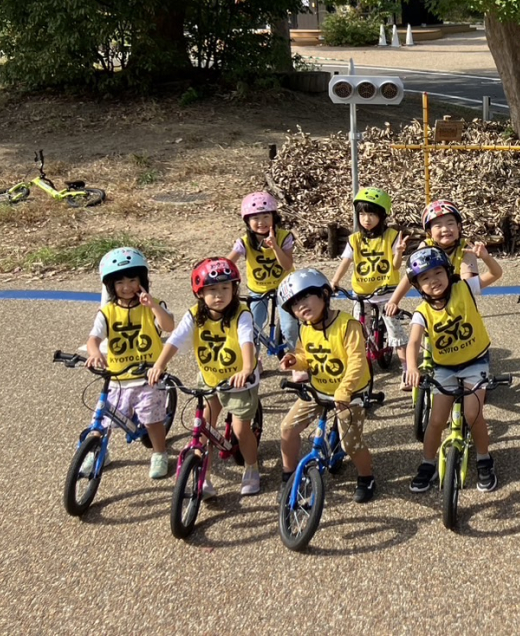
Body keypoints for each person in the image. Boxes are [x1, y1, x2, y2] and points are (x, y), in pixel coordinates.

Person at [147, 258, 261, 497]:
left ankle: (251, 467)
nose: (219, 295)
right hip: (210, 378)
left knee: (241, 430)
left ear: (234, 290)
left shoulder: (241, 314)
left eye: (225, 288)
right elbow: (176, 340)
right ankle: (203, 477)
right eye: (211, 290)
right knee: (204, 428)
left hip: (238, 381)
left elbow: (246, 340)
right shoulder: (194, 314)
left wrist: (247, 368)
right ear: (199, 293)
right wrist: (159, 365)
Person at [403, 247, 499, 494]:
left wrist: (485, 257)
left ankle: (484, 458)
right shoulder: (422, 312)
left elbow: (496, 274)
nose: (433, 280)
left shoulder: (464, 289)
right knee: (436, 420)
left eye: (437, 272)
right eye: (425, 278)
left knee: (473, 414)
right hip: (445, 367)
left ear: (448, 272)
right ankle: (427, 463)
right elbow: (413, 342)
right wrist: (412, 367)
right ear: (417, 286)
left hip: (475, 361)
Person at [276, 268, 377, 503]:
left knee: (352, 443)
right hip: (319, 389)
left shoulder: (348, 325)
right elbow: (306, 355)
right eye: (293, 304)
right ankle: (288, 475)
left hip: (350, 392)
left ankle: (366, 476)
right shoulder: (306, 327)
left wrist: (345, 390)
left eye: (304, 297)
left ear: (323, 294)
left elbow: (357, 362)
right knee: (287, 429)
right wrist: (295, 360)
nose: (300, 306)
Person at [384, 198, 500, 385]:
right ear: (429, 232)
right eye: (438, 225)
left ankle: (475, 374)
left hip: (459, 297)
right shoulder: (426, 246)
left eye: (450, 223)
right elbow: (410, 276)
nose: (445, 229)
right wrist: (394, 300)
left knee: (464, 334)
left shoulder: (465, 247)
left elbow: (467, 277)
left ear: (459, 226)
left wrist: (459, 289)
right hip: (433, 298)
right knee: (425, 331)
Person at [85, 247, 175, 479]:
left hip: (149, 376)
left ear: (142, 280)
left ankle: (159, 453)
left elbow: (168, 326)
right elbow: (93, 338)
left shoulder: (153, 306)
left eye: (132, 280)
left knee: (153, 419)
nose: (127, 287)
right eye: (119, 282)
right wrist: (94, 352)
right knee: (101, 419)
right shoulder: (107, 312)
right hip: (117, 378)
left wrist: (152, 305)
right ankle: (97, 452)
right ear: (110, 286)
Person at [331, 186, 409, 366]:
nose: (366, 219)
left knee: (394, 330)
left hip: (387, 293)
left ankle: (406, 367)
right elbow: (345, 262)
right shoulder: (355, 239)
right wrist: (334, 282)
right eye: (362, 214)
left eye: (372, 215)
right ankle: (356, 365)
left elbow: (396, 266)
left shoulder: (392, 236)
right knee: (357, 328)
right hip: (362, 293)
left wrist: (398, 252)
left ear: (382, 216)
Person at [226, 191, 296, 369]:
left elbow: (287, 265)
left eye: (266, 216)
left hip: (284, 287)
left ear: (274, 217)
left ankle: (295, 359)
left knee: (289, 326)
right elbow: (227, 264)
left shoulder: (284, 237)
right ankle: (254, 360)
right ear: (247, 221)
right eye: (255, 218)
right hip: (257, 288)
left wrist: (274, 247)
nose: (261, 222)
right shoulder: (243, 242)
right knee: (251, 328)